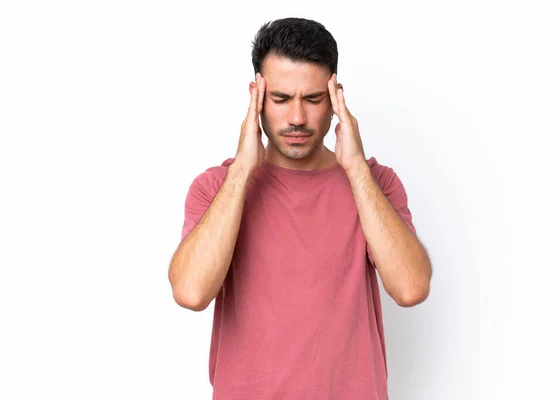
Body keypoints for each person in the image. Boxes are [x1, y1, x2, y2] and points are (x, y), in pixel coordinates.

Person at [168, 17, 432, 400]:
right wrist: (242, 168)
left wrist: (356, 168)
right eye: (279, 99)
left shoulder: (376, 182)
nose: (296, 118)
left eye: (312, 99)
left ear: (336, 97)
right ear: (255, 95)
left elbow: (410, 288)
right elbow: (191, 293)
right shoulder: (216, 188)